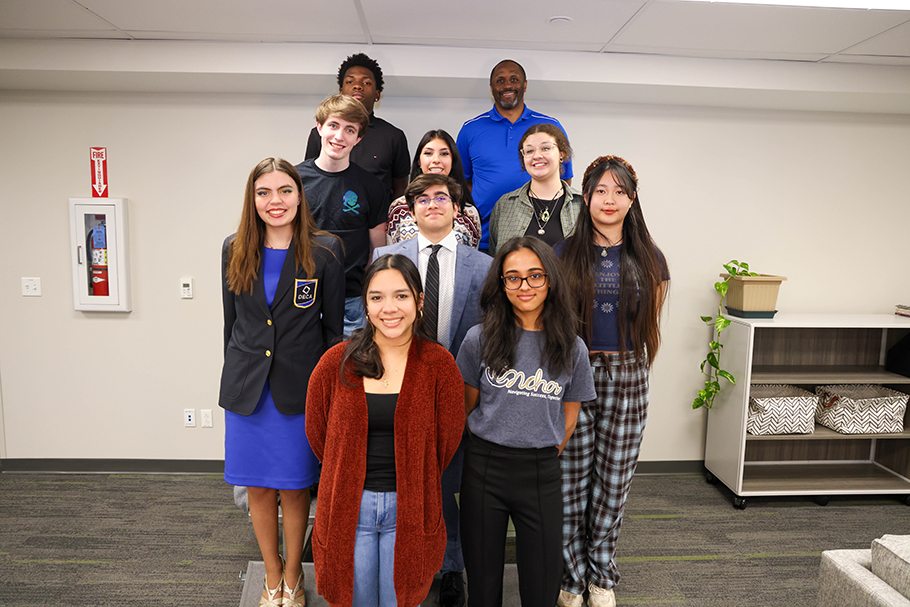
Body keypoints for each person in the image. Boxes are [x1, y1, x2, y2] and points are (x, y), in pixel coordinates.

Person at [219, 157, 345, 607]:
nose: (276, 201)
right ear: (252, 200)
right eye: (264, 192)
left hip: (299, 392)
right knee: (257, 487)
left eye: (285, 191)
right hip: (249, 392)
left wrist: (330, 394)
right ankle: (272, 575)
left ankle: (294, 576)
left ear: (300, 195)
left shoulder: (326, 250)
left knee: (294, 487)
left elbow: (334, 334)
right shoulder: (234, 248)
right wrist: (234, 380)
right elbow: (231, 325)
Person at [305, 254, 465, 607]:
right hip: (351, 507)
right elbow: (319, 434)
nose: (389, 308)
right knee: (354, 599)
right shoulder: (336, 362)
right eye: (377, 297)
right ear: (365, 303)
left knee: (402, 600)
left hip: (410, 508)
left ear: (419, 301)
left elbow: (447, 439)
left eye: (401, 295)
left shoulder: (439, 365)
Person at [455, 237, 596, 607]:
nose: (525, 286)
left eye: (535, 276)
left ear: (550, 280)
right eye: (513, 278)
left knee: (541, 586)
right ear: (500, 285)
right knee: (483, 589)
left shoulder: (572, 347)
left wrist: (540, 448)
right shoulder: (478, 339)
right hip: (484, 468)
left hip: (541, 473)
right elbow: (467, 408)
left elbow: (569, 416)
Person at [373, 173, 492, 607]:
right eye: (422, 199)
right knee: (406, 482)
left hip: (461, 392)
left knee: (449, 485)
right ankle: (405, 565)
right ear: (412, 209)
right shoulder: (386, 257)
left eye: (442, 197)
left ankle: (450, 570)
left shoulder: (483, 264)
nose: (433, 204)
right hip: (398, 389)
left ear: (456, 209)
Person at [556, 156, 670, 607]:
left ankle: (601, 575)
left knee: (614, 480)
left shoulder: (650, 257)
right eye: (600, 190)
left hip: (628, 374)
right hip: (575, 371)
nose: (609, 199)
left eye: (619, 191)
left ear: (632, 199)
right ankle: (571, 578)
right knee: (571, 482)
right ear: (586, 198)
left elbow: (648, 321)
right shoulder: (564, 253)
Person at [296, 94, 390, 336]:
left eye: (349, 130)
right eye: (333, 126)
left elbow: (376, 249)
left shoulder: (371, 187)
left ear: (358, 138)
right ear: (319, 128)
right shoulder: (294, 181)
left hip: (352, 301)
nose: (339, 136)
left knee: (349, 370)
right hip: (303, 294)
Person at [456, 59, 573, 252]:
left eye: (514, 79)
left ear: (525, 85)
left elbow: (564, 179)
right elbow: (463, 182)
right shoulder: (470, 129)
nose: (507, 85)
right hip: (484, 240)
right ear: (492, 88)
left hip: (544, 239)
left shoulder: (550, 127)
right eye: (500, 80)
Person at [304, 52, 410, 201]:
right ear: (341, 92)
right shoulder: (320, 134)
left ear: (377, 95)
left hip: (376, 221)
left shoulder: (393, 136)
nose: (358, 86)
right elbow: (311, 179)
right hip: (327, 218)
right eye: (350, 82)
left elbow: (400, 190)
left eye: (366, 83)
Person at [488, 123, 582, 254]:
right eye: (529, 151)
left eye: (545, 148)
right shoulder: (505, 205)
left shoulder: (582, 204)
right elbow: (495, 260)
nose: (537, 156)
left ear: (562, 153)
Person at [386, 129, 482, 248]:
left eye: (444, 154)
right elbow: (391, 256)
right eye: (428, 153)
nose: (436, 160)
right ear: (419, 162)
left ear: (453, 161)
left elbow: (471, 259)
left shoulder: (469, 212)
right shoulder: (398, 208)